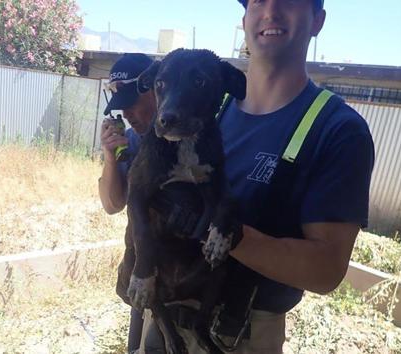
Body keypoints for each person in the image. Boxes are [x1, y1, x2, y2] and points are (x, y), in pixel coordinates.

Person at [137, 0, 375, 353]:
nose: (271, 11)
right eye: (258, 1)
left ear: (317, 21)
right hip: (162, 323)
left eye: (290, 1)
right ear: (245, 18)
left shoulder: (338, 129)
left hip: (237, 335)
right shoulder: (205, 107)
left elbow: (326, 271)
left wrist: (213, 228)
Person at [97, 53, 164, 353]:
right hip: (141, 271)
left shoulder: (188, 136)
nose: (126, 114)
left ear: (156, 89)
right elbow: (112, 204)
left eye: (131, 103)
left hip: (181, 278)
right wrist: (111, 157)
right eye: (120, 107)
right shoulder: (134, 140)